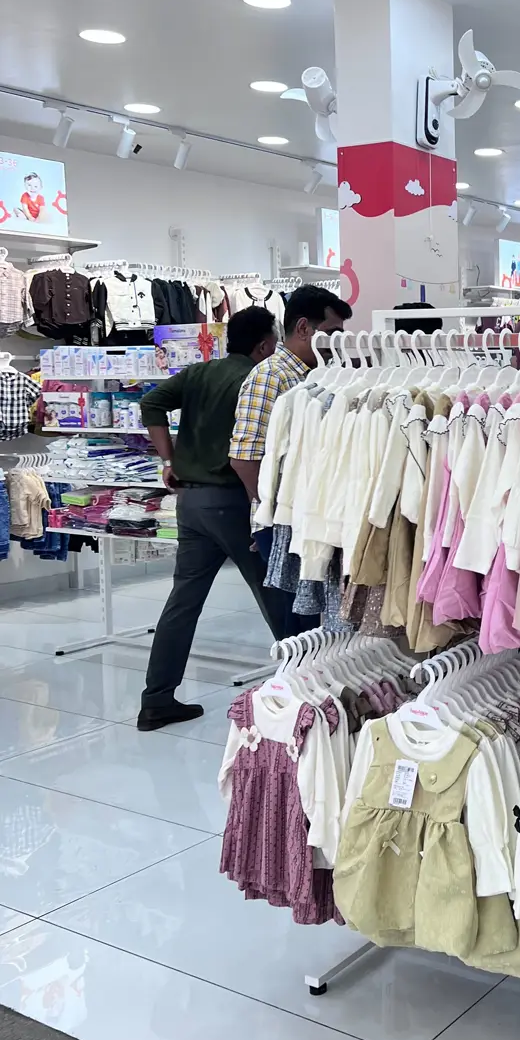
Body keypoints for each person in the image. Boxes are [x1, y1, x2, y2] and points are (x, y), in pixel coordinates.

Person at [136, 306, 285, 731]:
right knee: (274, 591)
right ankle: (304, 685)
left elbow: (151, 403)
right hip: (234, 502)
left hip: (191, 503)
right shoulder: (257, 380)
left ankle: (157, 700)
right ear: (264, 345)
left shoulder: (199, 373)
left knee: (182, 602)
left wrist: (168, 460)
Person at [229, 283, 352, 605]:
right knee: (296, 619)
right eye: (332, 333)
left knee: (316, 613)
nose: (337, 343)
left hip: (311, 517)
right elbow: (244, 458)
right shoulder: (270, 376)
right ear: (303, 328)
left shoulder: (322, 374)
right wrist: (272, 510)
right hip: (284, 521)